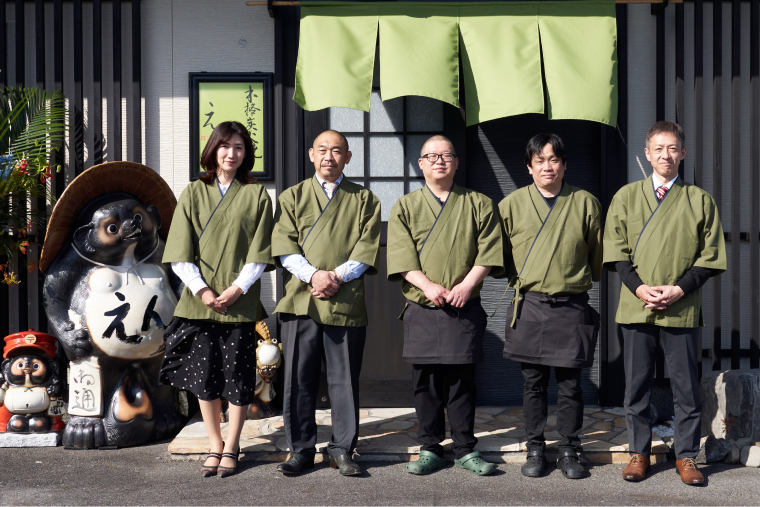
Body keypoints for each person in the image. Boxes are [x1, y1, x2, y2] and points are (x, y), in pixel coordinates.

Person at [603, 121, 726, 485]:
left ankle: (686, 456)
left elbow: (711, 255)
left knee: (686, 387)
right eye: (658, 148)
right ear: (647, 153)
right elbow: (616, 250)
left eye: (672, 148)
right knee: (636, 386)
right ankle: (639, 453)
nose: (666, 155)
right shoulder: (626, 196)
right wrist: (640, 288)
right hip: (636, 304)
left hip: (681, 305)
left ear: (683, 153)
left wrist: (679, 289)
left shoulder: (699, 199)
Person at [160, 121, 275, 478]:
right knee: (204, 375)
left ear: (246, 154)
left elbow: (260, 251)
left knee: (239, 376)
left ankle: (234, 443)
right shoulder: (194, 191)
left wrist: (236, 289)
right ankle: (214, 443)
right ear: (213, 150)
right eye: (225, 146)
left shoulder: (257, 195)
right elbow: (180, 250)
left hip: (238, 300)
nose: (231, 154)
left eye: (239, 147)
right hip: (200, 300)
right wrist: (204, 290)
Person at [386, 135, 504, 476]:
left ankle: (466, 447)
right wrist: (428, 285)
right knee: (426, 383)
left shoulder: (479, 203)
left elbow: (489, 252)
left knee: (462, 381)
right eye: (431, 156)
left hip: (463, 305)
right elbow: (400, 256)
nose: (439, 160)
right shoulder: (405, 206)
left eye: (446, 155)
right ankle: (430, 447)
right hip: (422, 307)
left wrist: (467, 285)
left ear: (456, 162)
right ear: (420, 163)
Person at [271, 130, 381, 476]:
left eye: (337, 151)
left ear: (348, 157)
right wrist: (314, 275)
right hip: (301, 299)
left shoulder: (365, 199)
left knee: (343, 379)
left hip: (344, 299)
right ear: (311, 155)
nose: (329, 157)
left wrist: (336, 277)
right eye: (323, 150)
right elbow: (284, 246)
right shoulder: (292, 196)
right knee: (298, 379)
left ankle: (343, 448)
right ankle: (300, 449)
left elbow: (367, 248)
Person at [498, 133, 601, 480]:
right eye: (539, 160)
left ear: (564, 164)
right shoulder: (511, 204)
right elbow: (501, 258)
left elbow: (596, 256)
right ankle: (535, 446)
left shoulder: (586, 202)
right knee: (533, 383)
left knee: (572, 383)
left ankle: (570, 448)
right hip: (531, 303)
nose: (547, 166)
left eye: (553, 159)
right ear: (529, 167)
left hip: (571, 304)